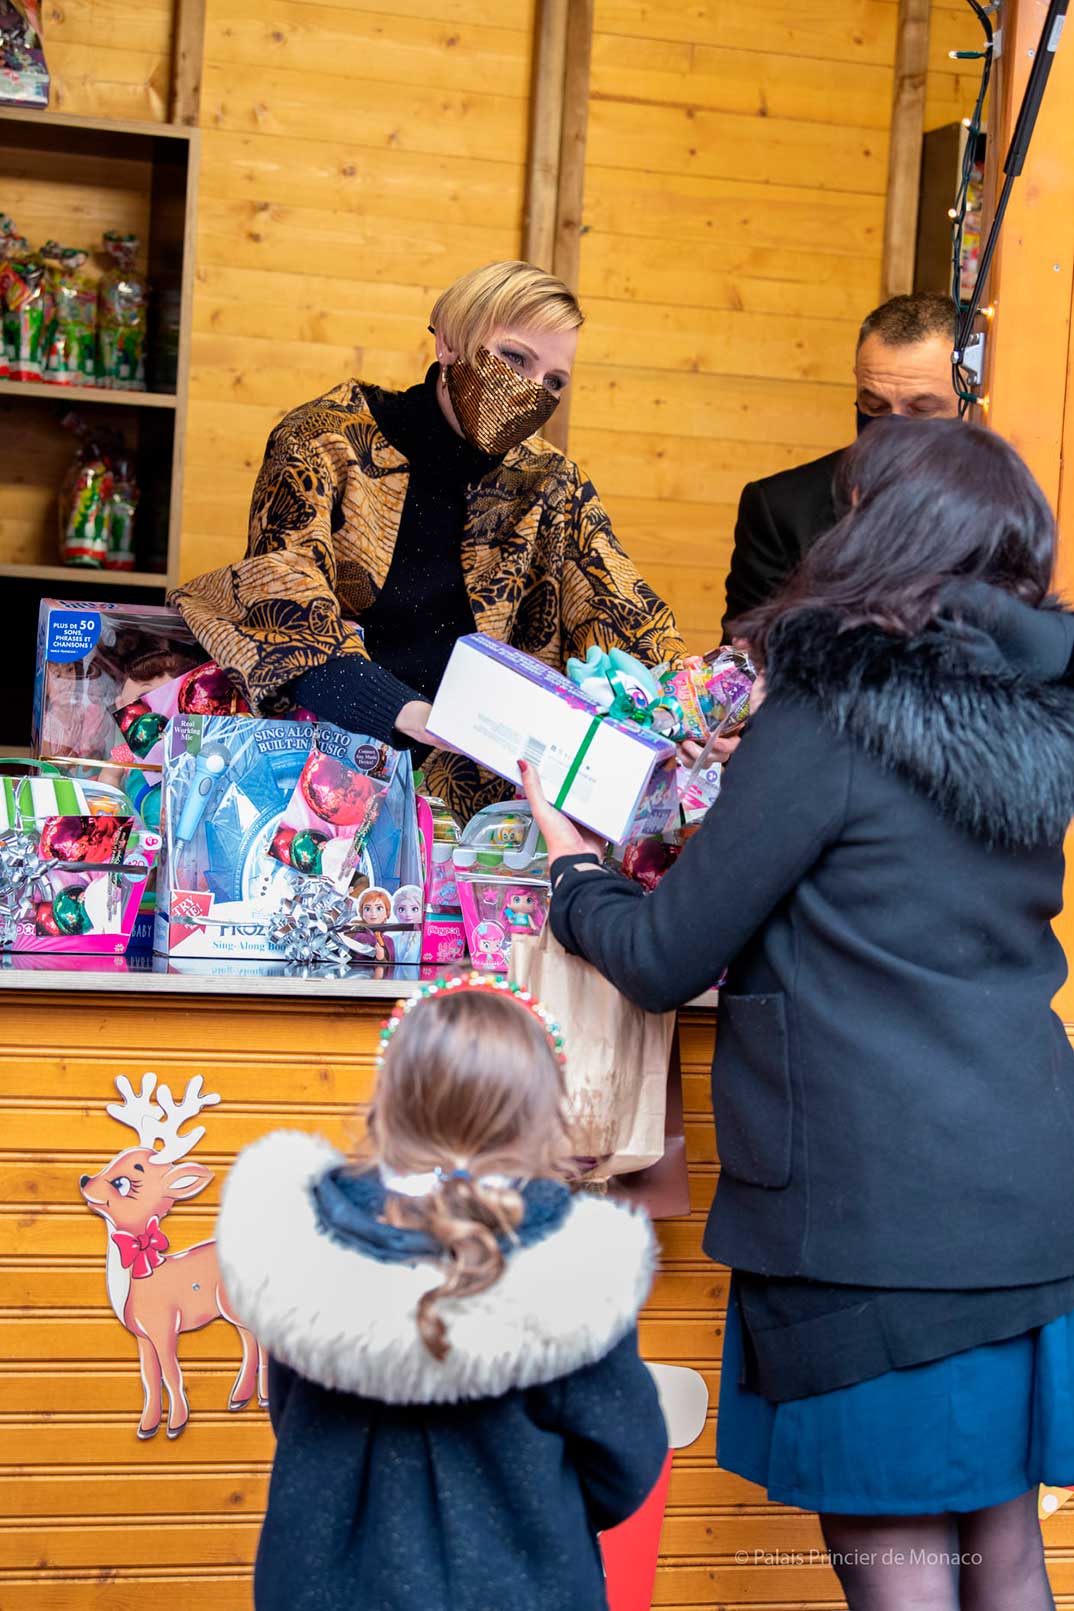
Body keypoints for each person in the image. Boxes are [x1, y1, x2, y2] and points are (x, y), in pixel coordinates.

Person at [522, 419, 1074, 1610]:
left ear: (882, 532)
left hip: (870, 1206)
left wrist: (571, 874)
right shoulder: (1038, 714)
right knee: (1003, 1554)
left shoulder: (823, 716)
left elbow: (668, 954)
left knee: (902, 1576)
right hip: (1026, 1189)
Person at [171, 260, 684, 824]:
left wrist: (695, 711)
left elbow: (625, 613)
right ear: (448, 340)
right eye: (515, 358)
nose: (532, 390)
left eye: (554, 382)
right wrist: (408, 712)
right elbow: (285, 611)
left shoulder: (551, 482)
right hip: (320, 772)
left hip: (483, 808)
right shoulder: (325, 440)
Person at [215, 974, 668, 1611]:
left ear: (389, 1099)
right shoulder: (571, 1269)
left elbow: (287, 1415)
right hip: (521, 1589)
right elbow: (625, 1460)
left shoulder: (303, 1247)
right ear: (542, 1115)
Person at [721, 290, 960, 635]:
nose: (892, 430)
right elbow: (743, 660)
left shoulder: (1009, 510)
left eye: (921, 410)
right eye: (874, 406)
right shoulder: (781, 509)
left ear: (968, 404)